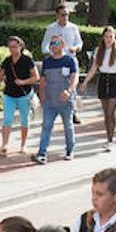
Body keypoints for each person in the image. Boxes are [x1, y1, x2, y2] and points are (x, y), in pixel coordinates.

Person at [81, 25, 116, 152]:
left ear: (114, 37)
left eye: (111, 36)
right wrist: (85, 82)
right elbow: (93, 68)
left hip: (114, 81)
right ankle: (108, 136)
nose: (108, 39)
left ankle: (110, 139)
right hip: (103, 80)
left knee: (110, 112)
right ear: (103, 37)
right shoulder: (99, 50)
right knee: (106, 113)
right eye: (106, 36)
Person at [33, 37, 78, 165]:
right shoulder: (47, 62)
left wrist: (69, 91)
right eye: (51, 43)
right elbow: (42, 82)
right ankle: (42, 153)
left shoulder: (70, 60)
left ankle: (70, 150)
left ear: (63, 45)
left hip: (65, 102)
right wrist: (42, 98)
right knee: (46, 127)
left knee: (68, 127)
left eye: (56, 43)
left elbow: (74, 79)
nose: (53, 46)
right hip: (49, 101)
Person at [0, 35, 38, 156]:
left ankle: (23, 145)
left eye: (14, 46)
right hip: (9, 94)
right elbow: (0, 76)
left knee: (25, 120)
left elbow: (36, 77)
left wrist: (23, 82)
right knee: (7, 120)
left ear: (20, 46)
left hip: (24, 94)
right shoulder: (7, 61)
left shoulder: (27, 60)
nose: (12, 49)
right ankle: (4, 145)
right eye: (10, 47)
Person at [42, 4, 85, 123]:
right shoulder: (51, 28)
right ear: (57, 15)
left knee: (72, 85)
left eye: (67, 14)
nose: (65, 17)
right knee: (55, 86)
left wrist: (75, 48)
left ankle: (73, 111)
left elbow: (80, 43)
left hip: (69, 60)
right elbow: (44, 45)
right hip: (56, 62)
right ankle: (53, 110)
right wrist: (50, 52)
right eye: (63, 15)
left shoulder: (73, 28)